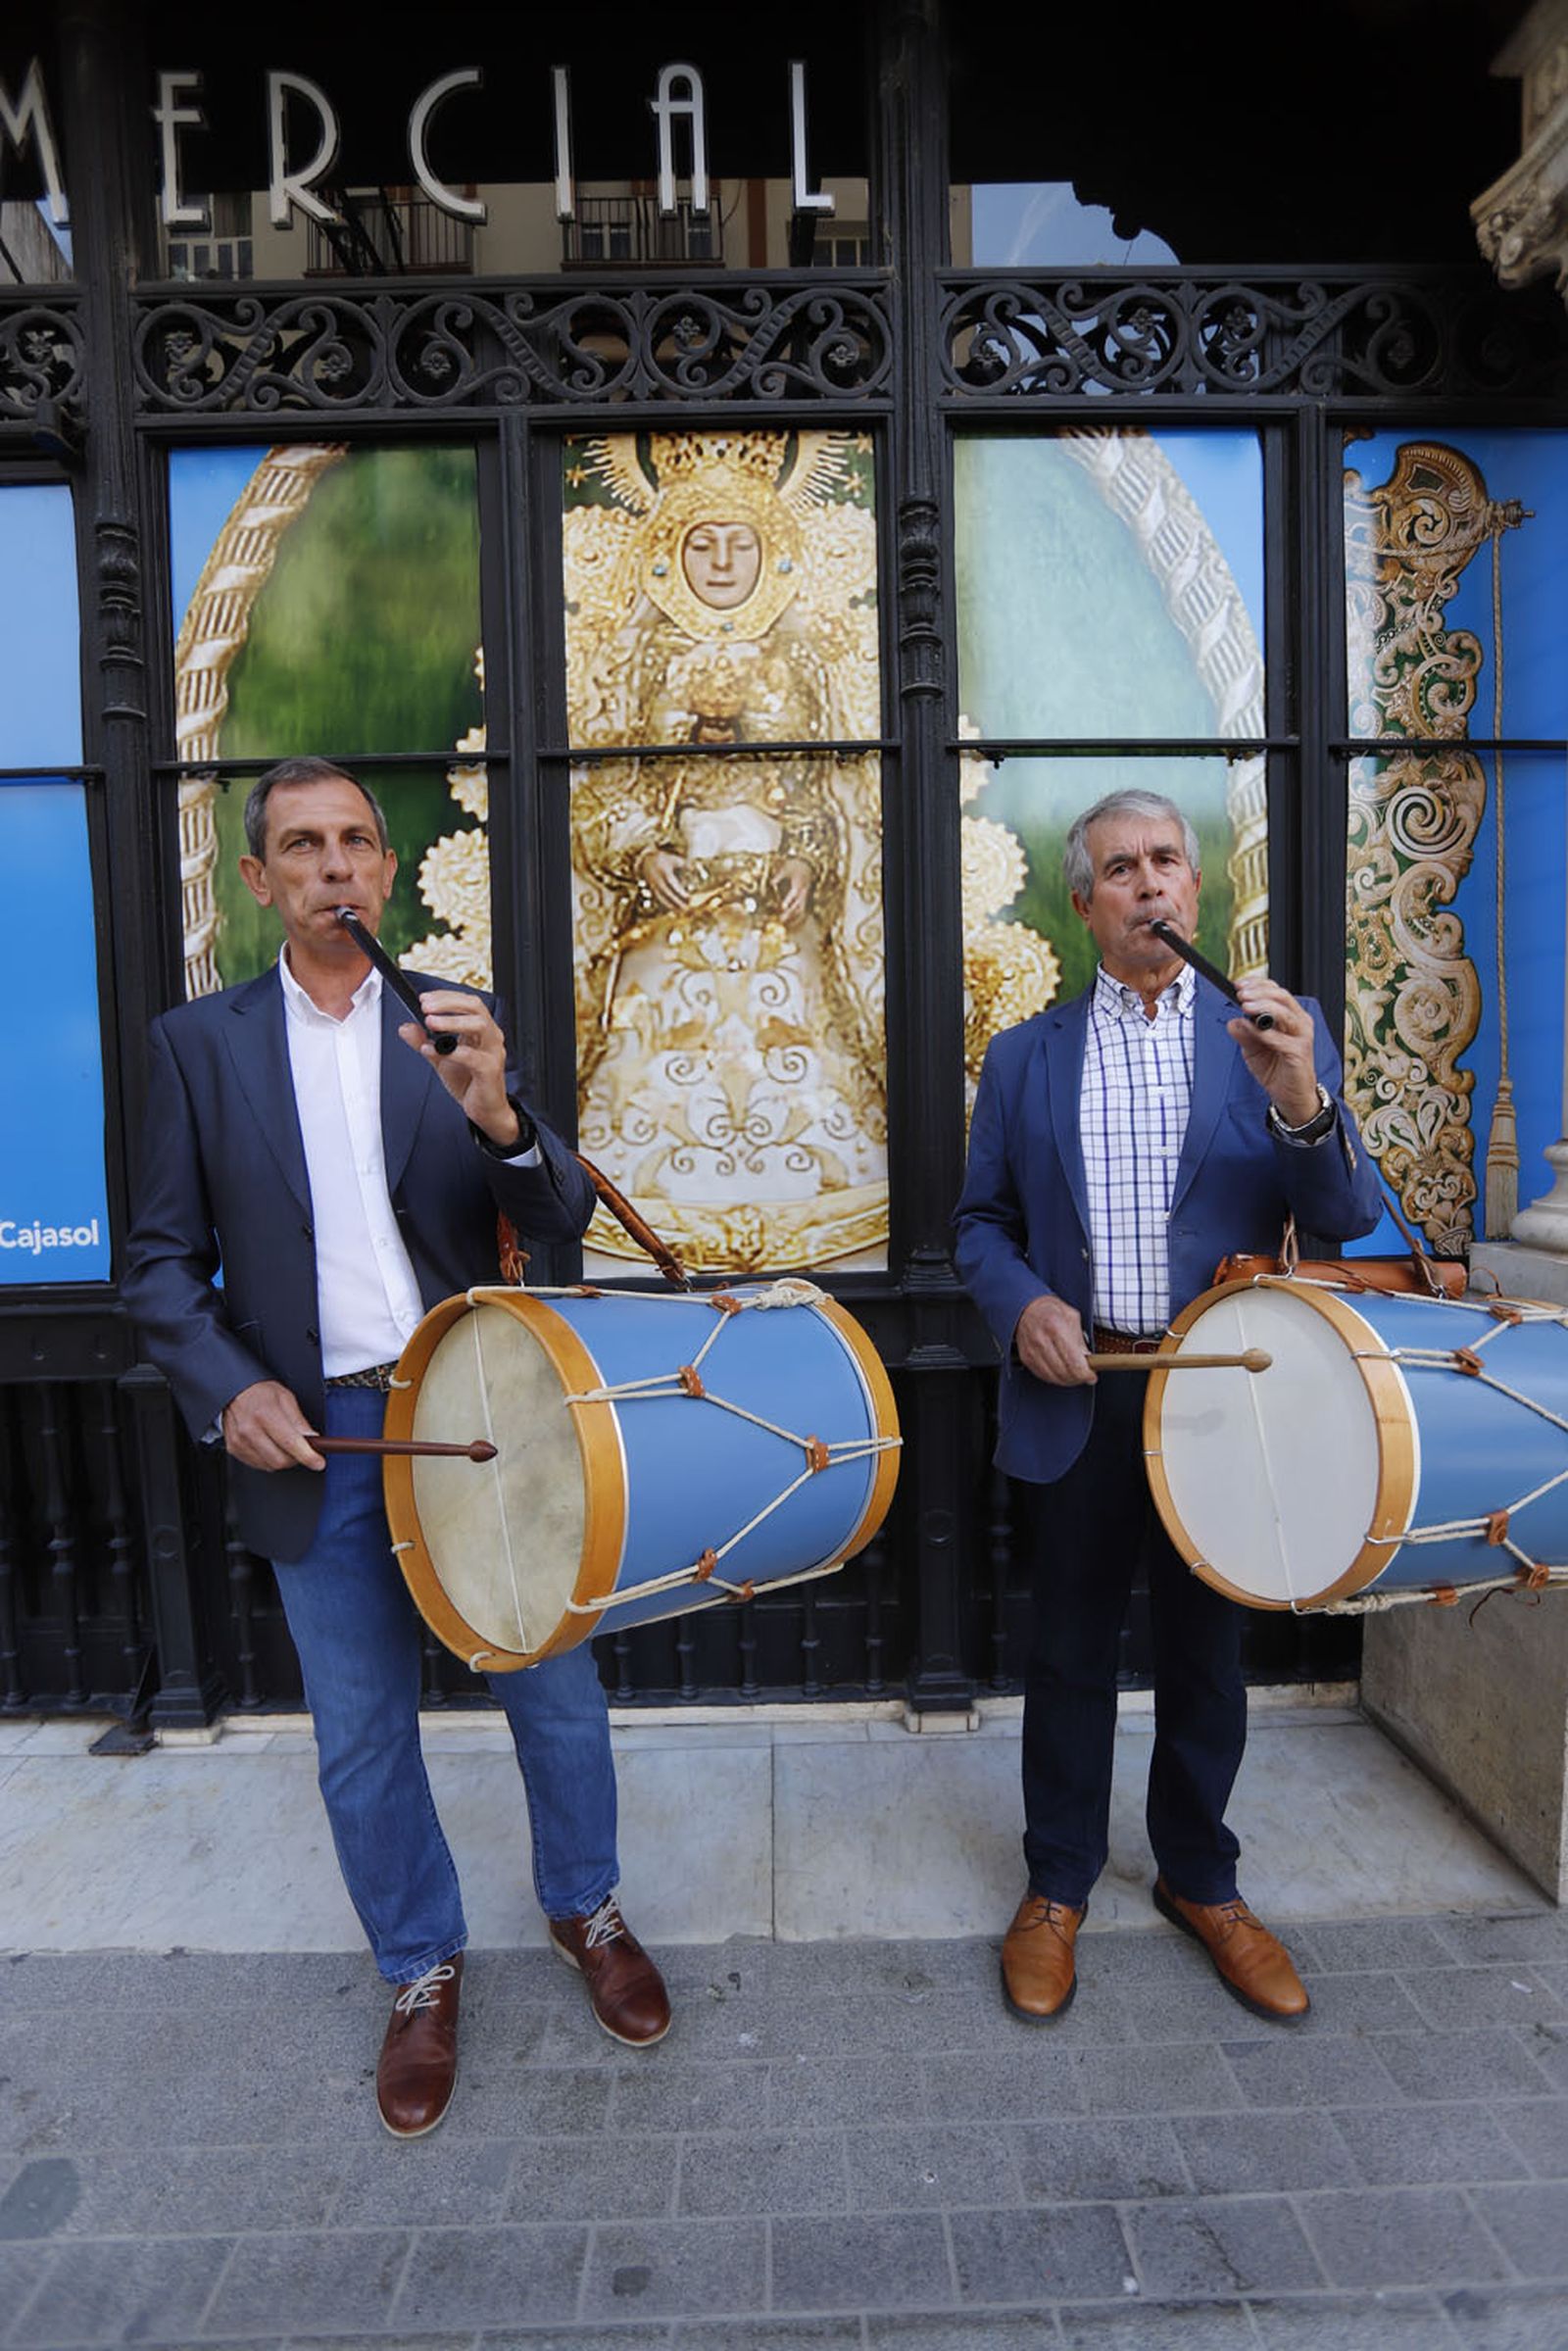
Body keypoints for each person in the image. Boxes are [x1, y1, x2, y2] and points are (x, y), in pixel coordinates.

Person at [123, 756, 671, 2138]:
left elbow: (554, 1217)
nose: (333, 865)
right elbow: (157, 1267)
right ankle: (419, 1966)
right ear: (259, 880)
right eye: (301, 846)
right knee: (362, 1730)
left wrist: (496, 1112)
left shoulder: (451, 1019)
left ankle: (584, 1903)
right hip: (314, 1434)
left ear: (385, 864)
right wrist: (226, 1387)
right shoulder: (198, 1045)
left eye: (356, 840)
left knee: (552, 1688)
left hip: (475, 1411)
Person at [954, 788, 1381, 2026]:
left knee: (1208, 1657)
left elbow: (1345, 1217)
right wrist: (1022, 1301)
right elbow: (979, 1225)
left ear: (1196, 893)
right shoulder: (1026, 1055)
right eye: (1119, 869)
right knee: (1068, 1654)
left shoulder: (1267, 1037)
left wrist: (1301, 1089)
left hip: (1219, 1401)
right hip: (1082, 1392)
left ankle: (1203, 1877)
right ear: (1084, 904)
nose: (1147, 886)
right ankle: (1056, 1886)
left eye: (1166, 864)